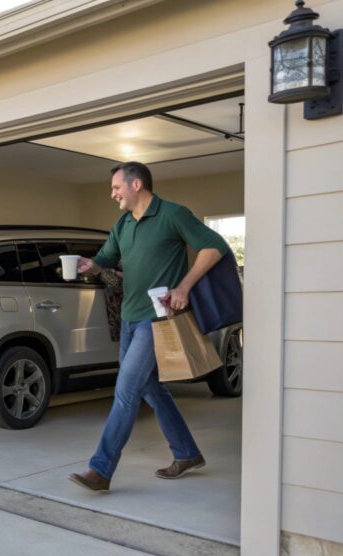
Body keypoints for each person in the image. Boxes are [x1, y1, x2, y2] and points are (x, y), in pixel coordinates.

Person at [68, 161, 229, 493]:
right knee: (150, 388)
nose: (112, 194)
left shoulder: (172, 214)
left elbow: (215, 248)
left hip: (156, 320)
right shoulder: (124, 224)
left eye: (116, 187)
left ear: (136, 184)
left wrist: (183, 288)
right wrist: (90, 266)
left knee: (126, 391)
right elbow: (105, 259)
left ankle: (100, 470)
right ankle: (187, 453)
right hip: (130, 318)